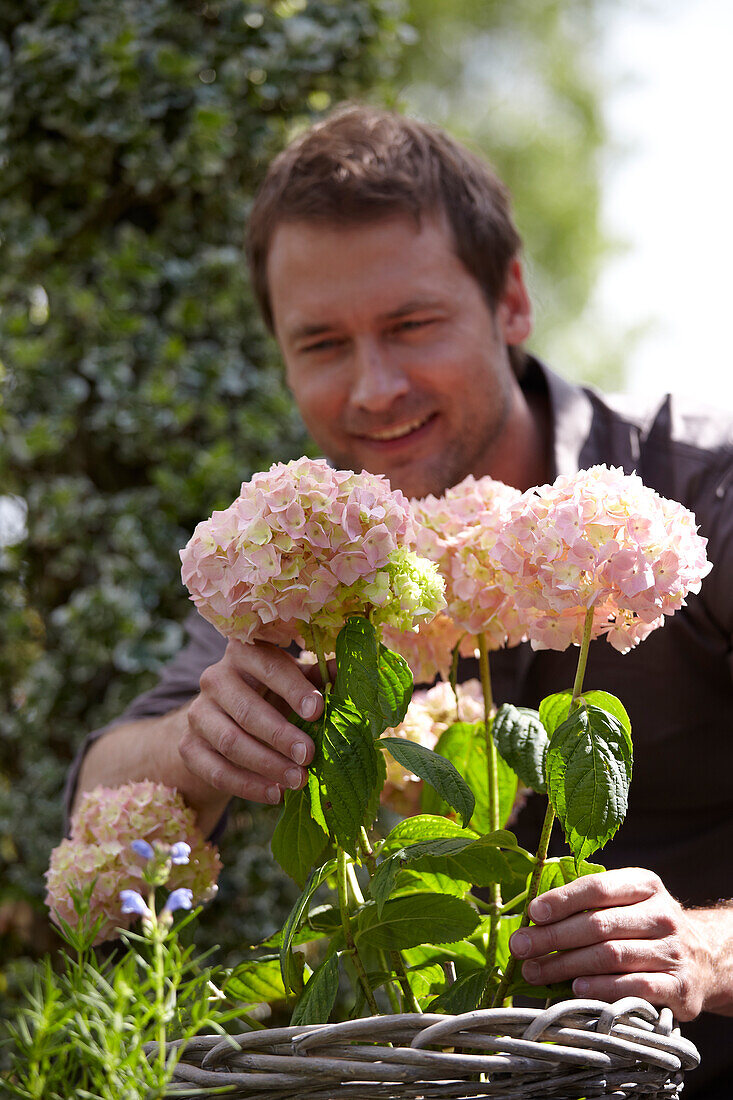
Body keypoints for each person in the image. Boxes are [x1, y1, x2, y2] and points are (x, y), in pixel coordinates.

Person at [67, 105, 733, 1095]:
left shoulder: (694, 491)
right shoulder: (319, 553)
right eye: (322, 343)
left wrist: (705, 951)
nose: (373, 389)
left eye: (411, 325)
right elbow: (103, 800)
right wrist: (195, 745)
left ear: (510, 299)